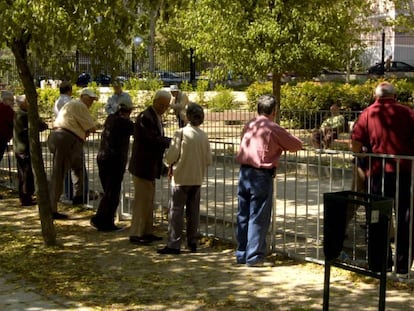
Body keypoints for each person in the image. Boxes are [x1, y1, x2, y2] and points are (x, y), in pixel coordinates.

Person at [351, 81, 414, 276]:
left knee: (378, 217)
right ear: (394, 96)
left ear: (376, 96)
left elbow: (355, 143)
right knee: (406, 219)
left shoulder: (368, 113)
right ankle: (403, 266)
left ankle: (380, 264)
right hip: (405, 172)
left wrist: (362, 153)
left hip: (377, 173)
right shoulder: (408, 112)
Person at [235, 94, 303, 267]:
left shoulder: (250, 124)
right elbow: (295, 144)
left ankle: (242, 253)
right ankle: (254, 256)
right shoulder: (272, 127)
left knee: (243, 214)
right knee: (258, 215)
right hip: (260, 174)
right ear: (274, 110)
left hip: (244, 172)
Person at [157, 103, 212, 254]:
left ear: (187, 116)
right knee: (193, 211)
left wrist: (167, 162)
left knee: (176, 210)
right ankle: (192, 241)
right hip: (197, 178)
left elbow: (172, 155)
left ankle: (174, 243)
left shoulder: (180, 133)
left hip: (181, 177)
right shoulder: (203, 135)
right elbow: (208, 160)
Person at [128, 89, 171, 244]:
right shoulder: (146, 117)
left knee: (148, 201)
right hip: (142, 166)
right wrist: (171, 141)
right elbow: (152, 139)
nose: (164, 108)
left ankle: (146, 231)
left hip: (150, 166)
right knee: (142, 201)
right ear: (155, 101)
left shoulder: (155, 116)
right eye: (162, 105)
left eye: (166, 106)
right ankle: (136, 233)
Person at [48, 88, 98, 219]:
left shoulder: (71, 104)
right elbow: (91, 127)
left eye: (93, 100)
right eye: (90, 99)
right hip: (66, 138)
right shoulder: (79, 105)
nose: (91, 102)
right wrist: (91, 128)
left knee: (78, 166)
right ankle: (51, 209)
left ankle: (79, 196)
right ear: (83, 97)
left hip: (63, 137)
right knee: (59, 173)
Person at [90, 95, 134, 231]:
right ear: (129, 111)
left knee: (109, 191)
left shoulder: (110, 119)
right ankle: (103, 221)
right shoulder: (125, 123)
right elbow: (139, 131)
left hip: (103, 158)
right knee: (112, 193)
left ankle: (100, 219)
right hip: (114, 161)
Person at [13, 95, 48, 206]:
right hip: (24, 147)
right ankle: (26, 197)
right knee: (26, 173)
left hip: (20, 146)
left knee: (23, 173)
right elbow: (41, 125)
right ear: (23, 103)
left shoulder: (18, 113)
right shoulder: (25, 115)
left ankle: (25, 196)